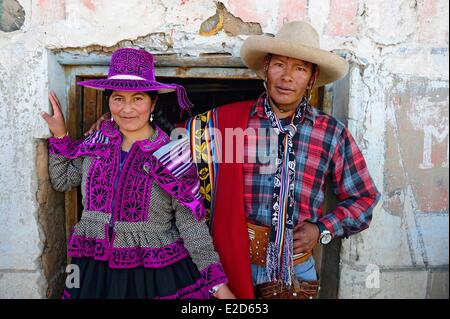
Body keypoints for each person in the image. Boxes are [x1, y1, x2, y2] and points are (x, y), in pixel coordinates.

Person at [87, 21, 381, 299]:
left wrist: (323, 229)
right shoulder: (224, 123)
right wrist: (117, 124)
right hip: (229, 260)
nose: (287, 77)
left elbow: (364, 199)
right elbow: (167, 142)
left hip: (293, 269)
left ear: (312, 78)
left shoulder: (330, 133)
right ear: (265, 69)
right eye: (279, 64)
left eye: (299, 69)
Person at [41, 48, 234, 299]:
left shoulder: (172, 155)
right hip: (93, 268)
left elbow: (191, 226)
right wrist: (60, 135)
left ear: (153, 103)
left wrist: (218, 286)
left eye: (138, 98)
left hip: (152, 273)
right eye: (118, 98)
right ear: (108, 101)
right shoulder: (97, 144)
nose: (127, 109)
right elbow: (62, 179)